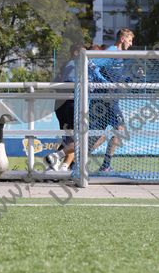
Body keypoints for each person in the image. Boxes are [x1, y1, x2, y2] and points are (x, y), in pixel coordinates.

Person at [88, 28, 143, 172]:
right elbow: (91, 65)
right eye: (130, 41)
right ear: (122, 39)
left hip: (109, 98)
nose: (131, 44)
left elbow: (116, 80)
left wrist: (133, 76)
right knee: (120, 129)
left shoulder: (119, 56)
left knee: (98, 135)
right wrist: (105, 83)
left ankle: (74, 159)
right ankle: (105, 166)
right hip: (107, 99)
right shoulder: (111, 52)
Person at [45, 42, 85, 171]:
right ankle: (57, 164)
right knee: (74, 138)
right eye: (84, 53)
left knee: (69, 138)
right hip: (69, 105)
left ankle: (63, 167)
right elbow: (69, 84)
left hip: (61, 105)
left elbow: (55, 83)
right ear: (76, 53)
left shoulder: (65, 65)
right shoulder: (72, 66)